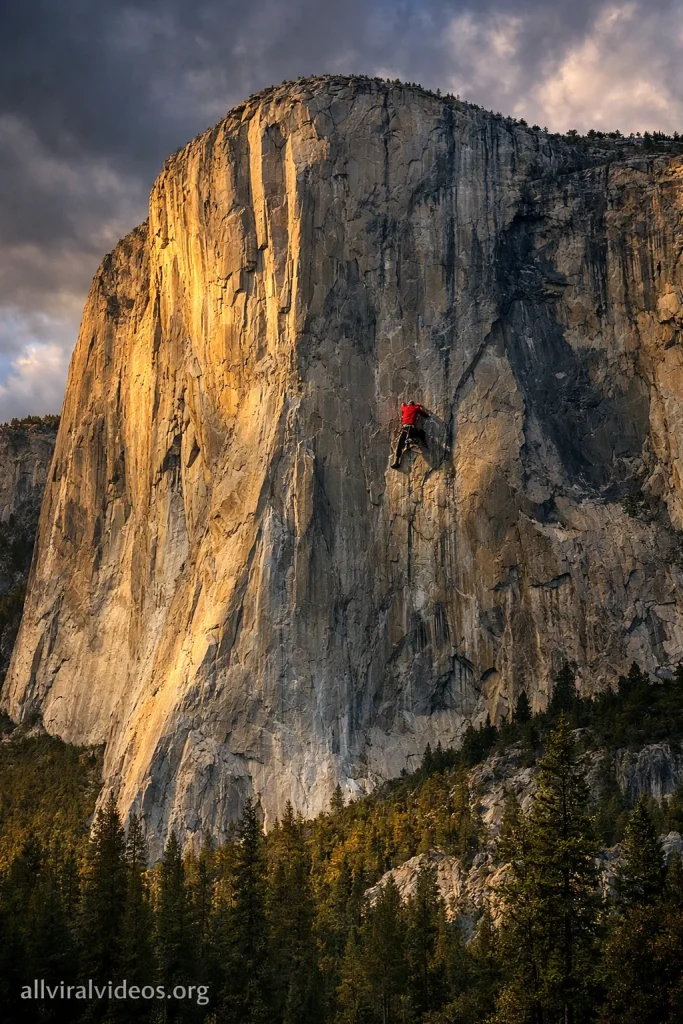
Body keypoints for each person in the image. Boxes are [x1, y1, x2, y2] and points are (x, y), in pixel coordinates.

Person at [391, 401, 430, 468]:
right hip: (412, 429)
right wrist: (419, 406)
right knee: (421, 432)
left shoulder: (405, 408)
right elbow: (425, 415)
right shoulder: (415, 408)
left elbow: (402, 404)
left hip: (405, 429)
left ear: (408, 404)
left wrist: (405, 404)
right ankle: (423, 443)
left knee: (400, 444)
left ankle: (397, 462)